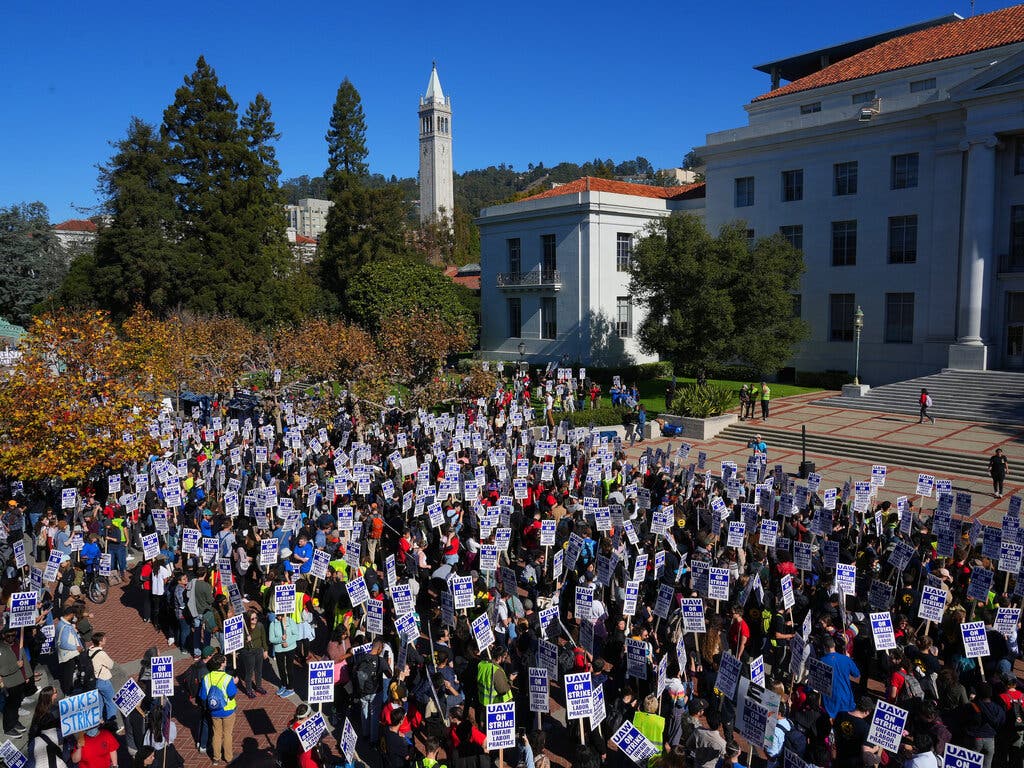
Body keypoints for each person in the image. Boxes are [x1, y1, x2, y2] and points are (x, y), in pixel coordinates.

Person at [198, 651, 238, 766]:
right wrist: (234, 683)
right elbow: (231, 694)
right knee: (227, 734)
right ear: (222, 664)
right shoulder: (228, 678)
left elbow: (203, 696)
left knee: (216, 734)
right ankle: (228, 757)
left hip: (214, 710)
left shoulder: (207, 678)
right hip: (228, 710)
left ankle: (216, 758)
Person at [819, 634, 860, 718]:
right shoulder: (846, 659)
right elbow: (856, 674)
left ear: (825, 647)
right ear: (834, 645)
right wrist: (849, 659)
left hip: (830, 702)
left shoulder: (821, 661)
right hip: (846, 698)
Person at [0, 628, 27, 737]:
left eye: (13, 635)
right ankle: (8, 727)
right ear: (3, 636)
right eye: (8, 636)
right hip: (9, 682)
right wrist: (16, 665)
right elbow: (2, 670)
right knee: (9, 706)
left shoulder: (16, 645)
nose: (11, 638)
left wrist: (26, 676)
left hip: (19, 680)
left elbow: (24, 660)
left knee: (16, 704)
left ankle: (14, 722)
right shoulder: (1, 649)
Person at [89, 633, 119, 724]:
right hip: (103, 681)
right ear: (100, 642)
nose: (105, 640)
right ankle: (111, 722)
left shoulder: (89, 651)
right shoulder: (101, 653)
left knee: (100, 702)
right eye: (104, 639)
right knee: (111, 702)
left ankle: (98, 720)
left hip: (94, 681)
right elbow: (111, 665)